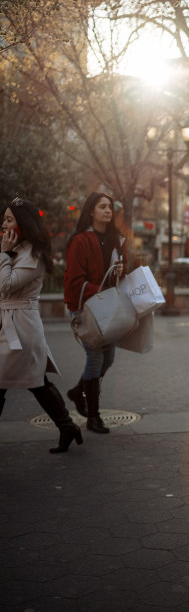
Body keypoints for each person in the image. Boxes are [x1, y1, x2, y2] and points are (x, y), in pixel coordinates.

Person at [0, 197, 83, 454]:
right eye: (4, 218)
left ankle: (67, 425)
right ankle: (67, 426)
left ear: (24, 223)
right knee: (35, 381)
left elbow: (5, 285)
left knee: (33, 380)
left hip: (21, 327)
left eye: (9, 219)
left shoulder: (32, 255)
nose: (4, 224)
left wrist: (3, 253)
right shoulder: (15, 249)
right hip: (10, 323)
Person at [63, 192, 127, 435]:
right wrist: (101, 291)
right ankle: (93, 416)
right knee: (96, 357)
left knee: (108, 359)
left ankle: (77, 390)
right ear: (91, 211)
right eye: (102, 207)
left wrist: (120, 270)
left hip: (107, 306)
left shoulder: (116, 239)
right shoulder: (80, 241)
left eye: (110, 207)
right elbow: (73, 280)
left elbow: (120, 271)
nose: (108, 211)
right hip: (86, 307)